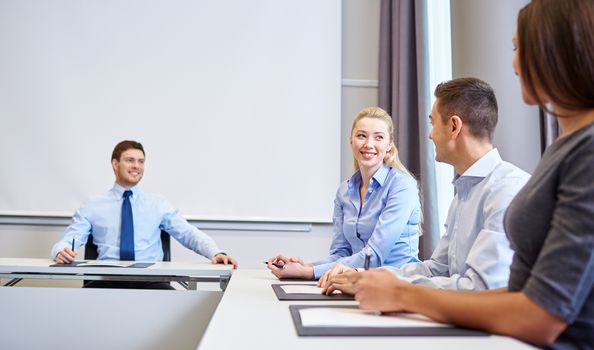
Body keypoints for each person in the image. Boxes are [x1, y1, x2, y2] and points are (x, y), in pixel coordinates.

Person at [326, 0, 594, 348]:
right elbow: (462, 277)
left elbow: (541, 314)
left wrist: (402, 294)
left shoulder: (582, 152)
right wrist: (373, 281)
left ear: (552, 51)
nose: (514, 62)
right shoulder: (567, 145)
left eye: (518, 48)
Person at [320, 78, 530, 293]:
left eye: (433, 123)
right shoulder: (464, 193)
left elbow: (481, 289)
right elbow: (437, 269)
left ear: (454, 126)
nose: (430, 134)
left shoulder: (505, 189)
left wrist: (388, 287)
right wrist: (364, 276)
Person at [52, 140, 237, 289]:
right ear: (115, 164)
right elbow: (71, 238)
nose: (136, 166)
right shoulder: (93, 205)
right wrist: (61, 251)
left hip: (151, 280)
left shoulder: (158, 204)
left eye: (141, 161)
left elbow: (188, 233)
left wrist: (216, 252)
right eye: (130, 160)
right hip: (106, 280)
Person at [267, 107, 421, 280]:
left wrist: (307, 272)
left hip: (399, 284)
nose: (368, 144)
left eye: (378, 137)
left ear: (389, 146)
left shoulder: (402, 186)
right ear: (351, 141)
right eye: (361, 135)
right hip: (357, 282)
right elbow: (341, 254)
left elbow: (374, 256)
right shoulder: (344, 192)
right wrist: (303, 266)